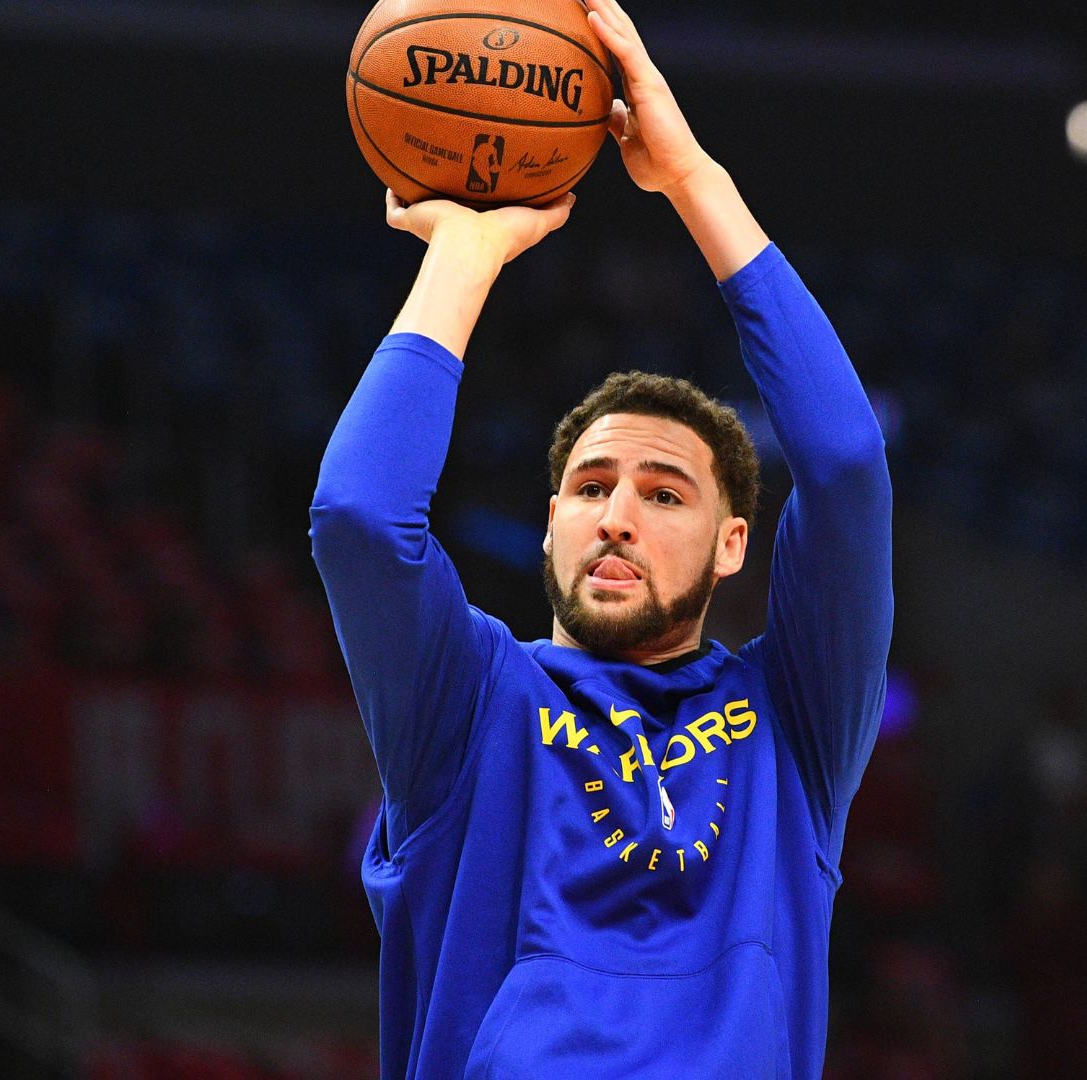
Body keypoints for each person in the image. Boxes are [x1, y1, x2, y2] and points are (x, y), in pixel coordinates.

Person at [308, 0, 893, 1075]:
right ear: (548, 530)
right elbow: (357, 517)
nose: (618, 512)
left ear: (732, 545)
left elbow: (848, 466)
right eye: (590, 487)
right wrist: (467, 251)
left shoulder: (793, 722)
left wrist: (693, 182)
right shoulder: (473, 702)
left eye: (666, 494)